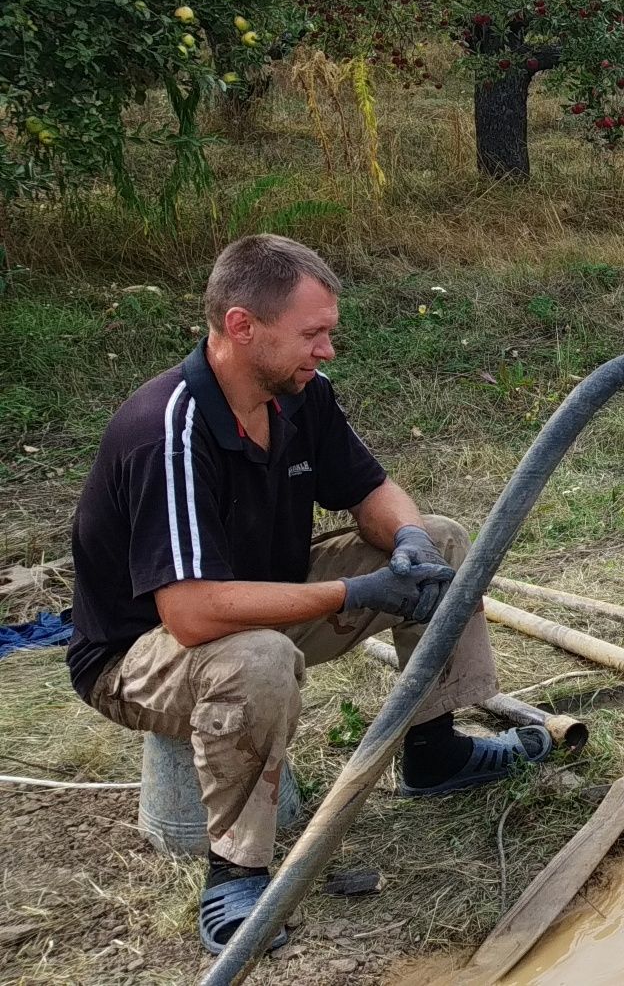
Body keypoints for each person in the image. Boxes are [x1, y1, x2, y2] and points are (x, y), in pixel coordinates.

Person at [65, 234, 551, 955]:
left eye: (329, 333)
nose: (326, 350)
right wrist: (354, 589)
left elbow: (371, 489)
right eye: (312, 334)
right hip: (139, 653)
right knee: (255, 658)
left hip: (259, 602)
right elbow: (192, 612)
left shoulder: (298, 395)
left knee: (443, 539)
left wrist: (407, 541)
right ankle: (235, 872)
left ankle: (434, 748)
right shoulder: (167, 431)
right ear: (241, 326)